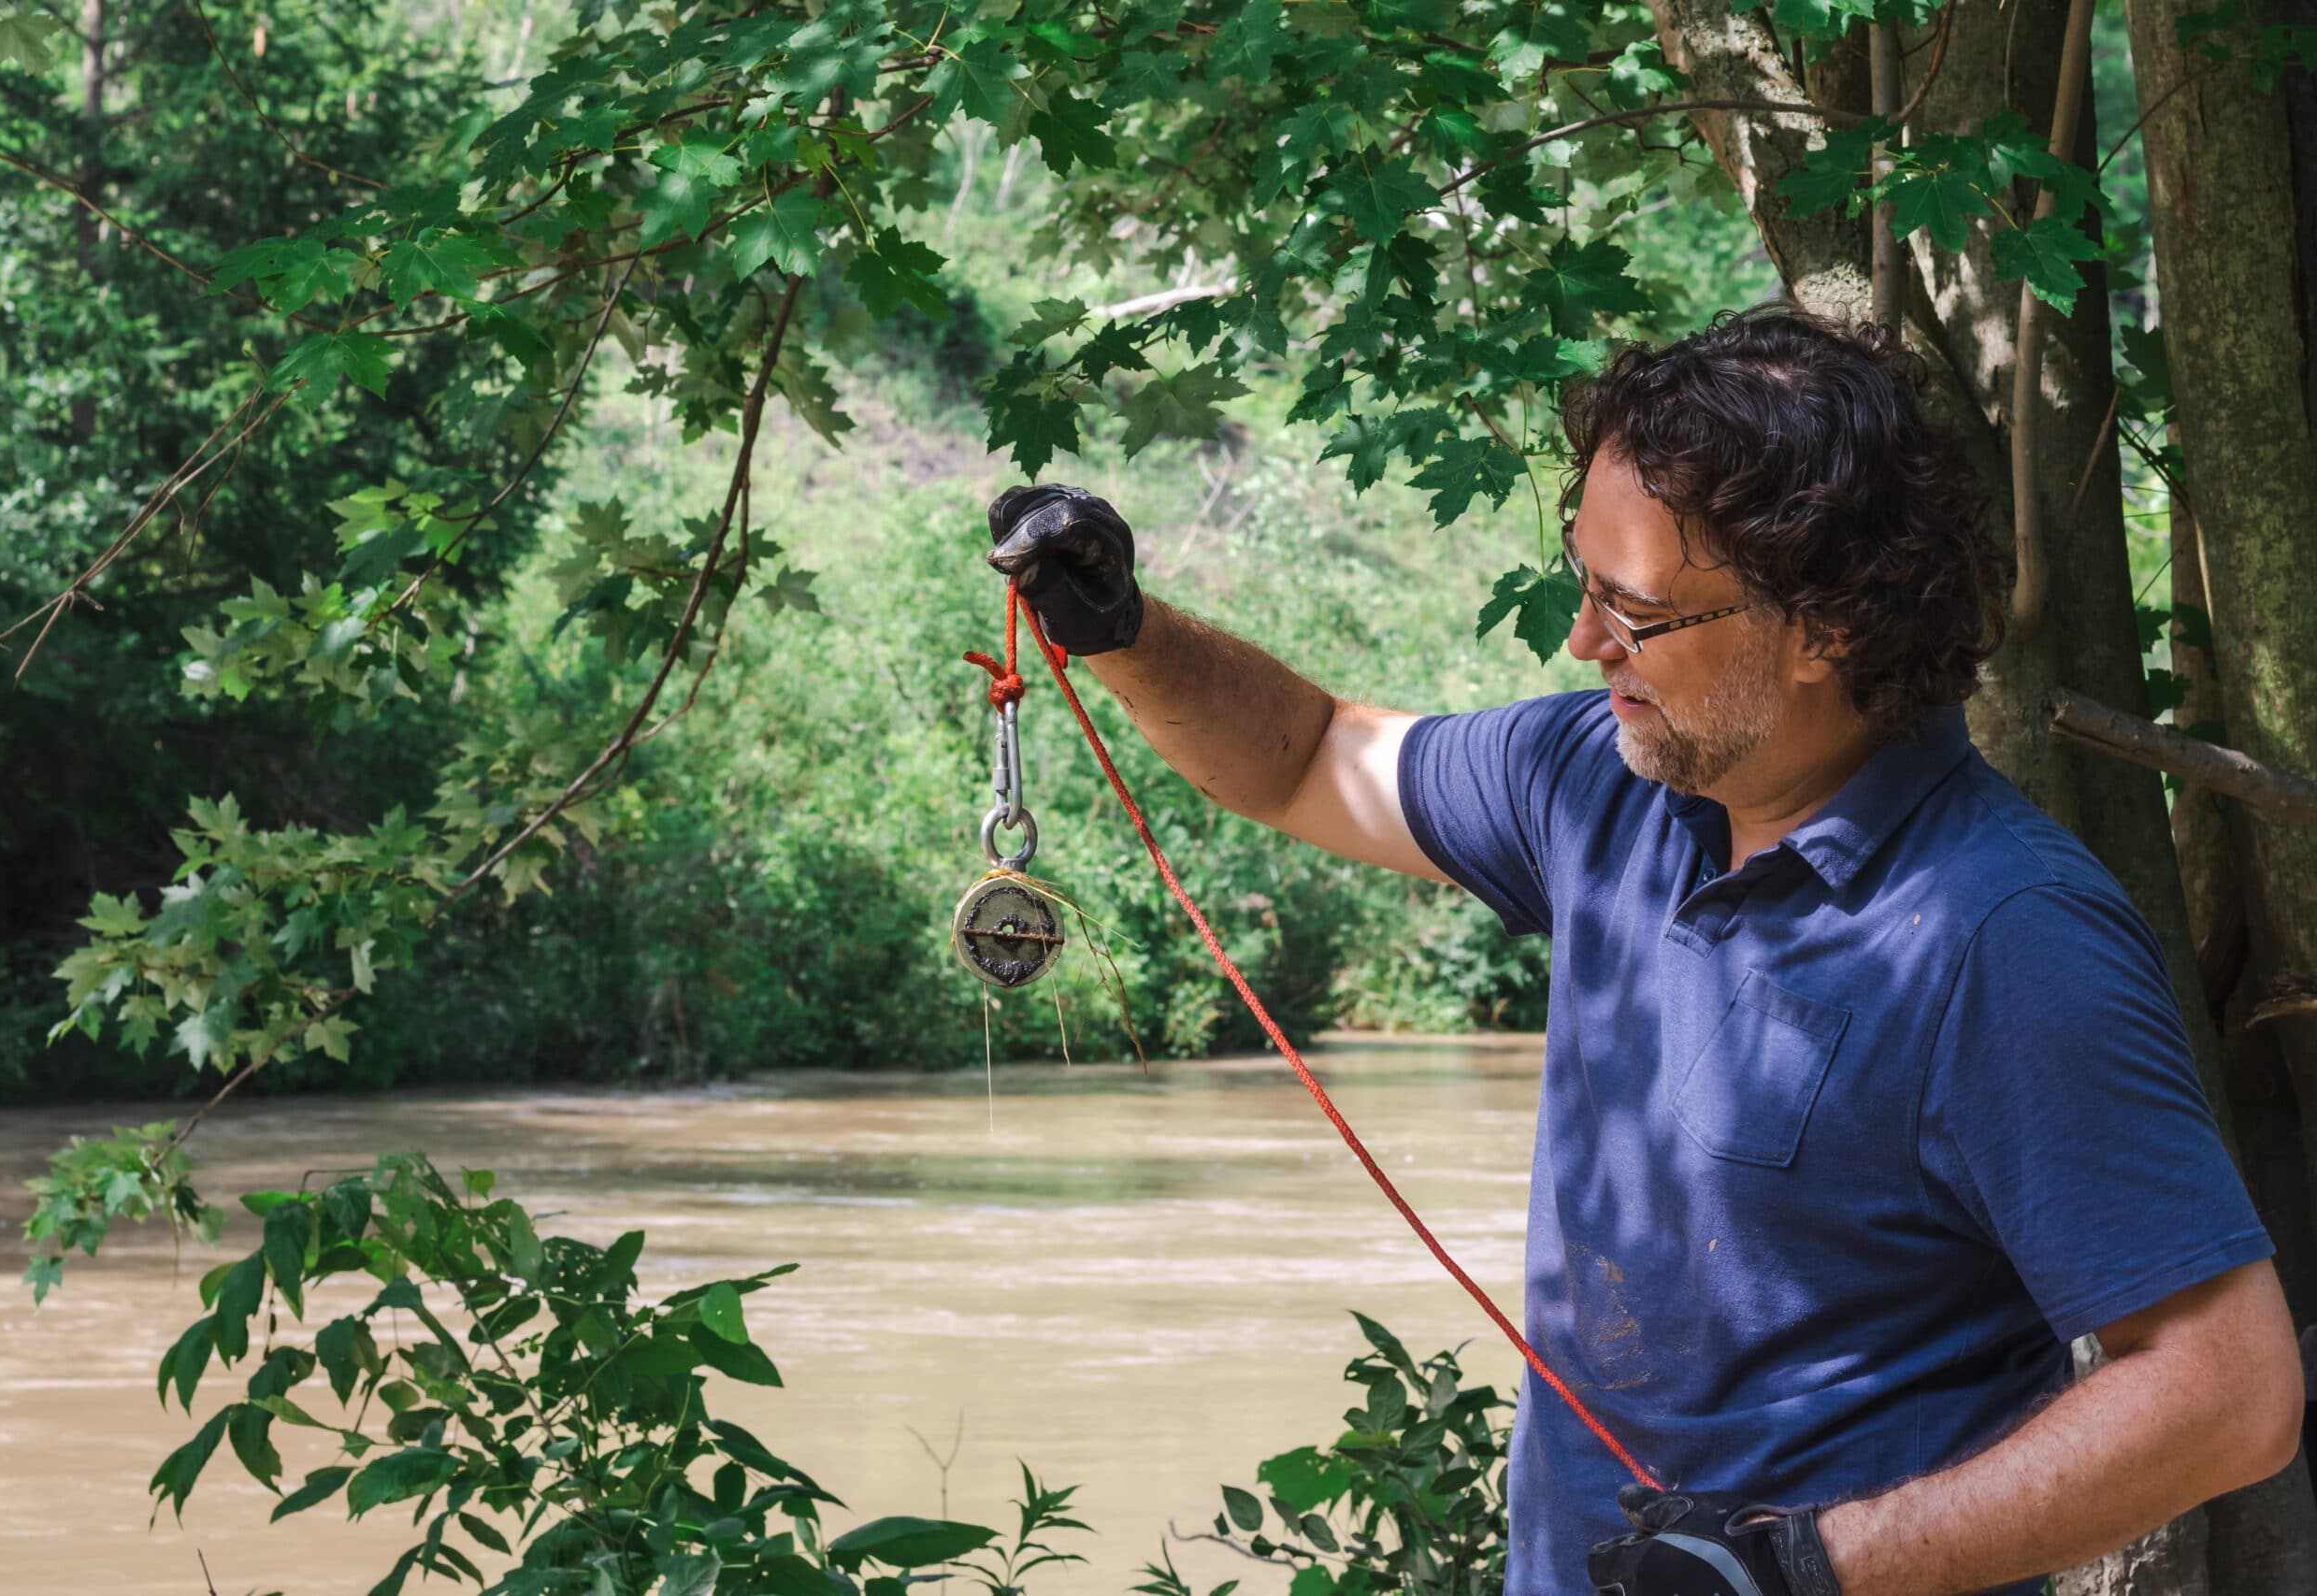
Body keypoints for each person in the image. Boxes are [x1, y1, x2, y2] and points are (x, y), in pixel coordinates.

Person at [981, 309, 2304, 1596]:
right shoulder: (1604, 782)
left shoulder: (2002, 938)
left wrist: (1810, 1568)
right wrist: (1129, 638)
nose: (1583, 640)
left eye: (1637, 610)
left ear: (1824, 629)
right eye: (1582, 581)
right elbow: (1315, 755)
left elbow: (2228, 1393)